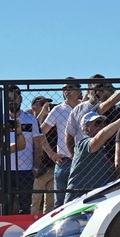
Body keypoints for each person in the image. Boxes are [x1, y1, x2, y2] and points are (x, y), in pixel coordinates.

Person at [66, 109, 120, 199]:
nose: (102, 126)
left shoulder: (105, 148)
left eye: (103, 123)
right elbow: (97, 139)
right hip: (79, 198)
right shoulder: (83, 144)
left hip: (97, 197)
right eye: (98, 123)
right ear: (86, 128)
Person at [0, 84, 42, 214]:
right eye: (8, 100)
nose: (11, 102)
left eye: (13, 99)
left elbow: (38, 145)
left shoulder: (31, 119)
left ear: (20, 99)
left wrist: (35, 166)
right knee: (5, 207)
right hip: (5, 169)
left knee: (25, 206)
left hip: (25, 169)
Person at [42, 78, 82, 210]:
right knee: (60, 204)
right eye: (64, 88)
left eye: (70, 87)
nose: (67, 91)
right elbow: (41, 132)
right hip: (63, 160)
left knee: (81, 200)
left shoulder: (85, 107)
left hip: (82, 159)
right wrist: (50, 153)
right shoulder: (58, 110)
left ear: (78, 90)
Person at [29, 95, 55, 213]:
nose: (46, 107)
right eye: (42, 104)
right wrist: (42, 114)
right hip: (38, 168)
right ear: (34, 107)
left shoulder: (51, 120)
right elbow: (36, 131)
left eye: (47, 104)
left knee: (50, 202)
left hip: (52, 165)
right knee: (35, 201)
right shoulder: (28, 120)